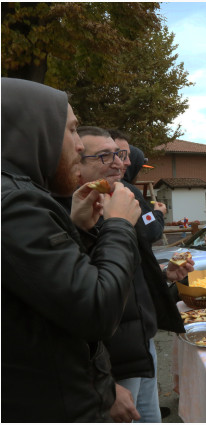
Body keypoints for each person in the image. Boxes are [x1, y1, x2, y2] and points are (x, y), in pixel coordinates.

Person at [1, 78, 141, 421]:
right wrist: (119, 225)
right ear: (37, 131)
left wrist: (78, 228)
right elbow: (96, 309)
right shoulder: (16, 205)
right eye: (72, 131)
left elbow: (46, 296)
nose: (79, 146)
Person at [75, 126, 193, 423]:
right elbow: (72, 308)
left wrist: (165, 275)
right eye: (105, 156)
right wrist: (101, 381)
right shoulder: (71, 221)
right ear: (76, 164)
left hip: (142, 345)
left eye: (120, 154)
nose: (120, 163)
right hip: (112, 365)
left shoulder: (122, 202)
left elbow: (130, 276)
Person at [109, 129, 167, 244]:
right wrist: (159, 213)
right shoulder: (129, 191)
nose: (128, 162)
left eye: (129, 157)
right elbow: (152, 231)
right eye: (122, 156)